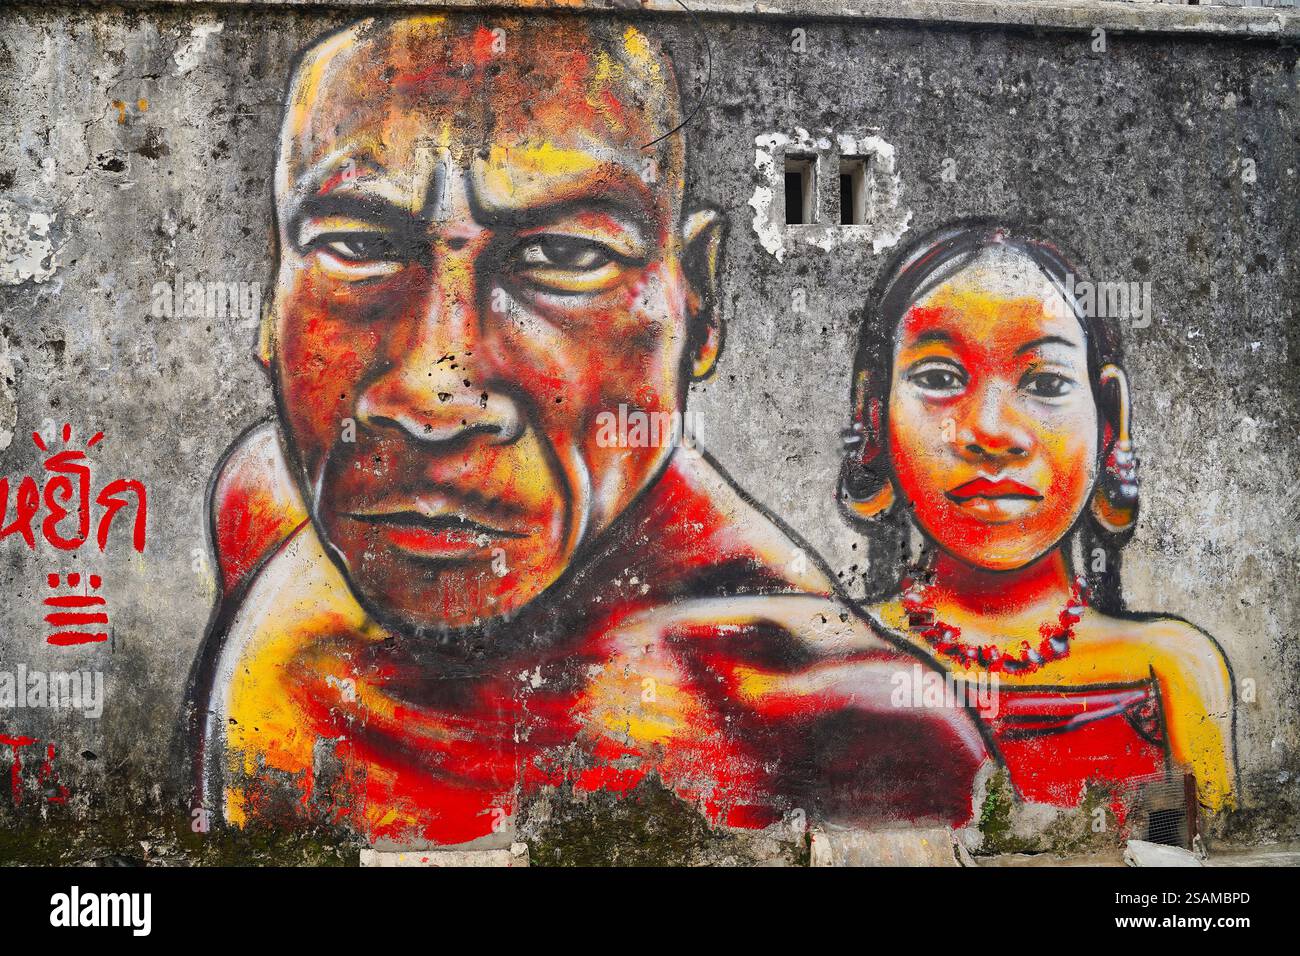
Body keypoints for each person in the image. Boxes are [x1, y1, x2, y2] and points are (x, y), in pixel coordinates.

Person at [184, 15, 989, 846]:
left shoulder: (840, 727)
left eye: (563, 257)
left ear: (697, 304)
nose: (436, 394)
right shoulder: (268, 499)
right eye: (358, 245)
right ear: (271, 293)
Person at [837, 219, 1236, 816]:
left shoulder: (1169, 669)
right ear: (875, 414)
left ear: (1109, 419)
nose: (992, 432)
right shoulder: (838, 662)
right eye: (940, 378)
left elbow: (1181, 888)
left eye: (1046, 382)